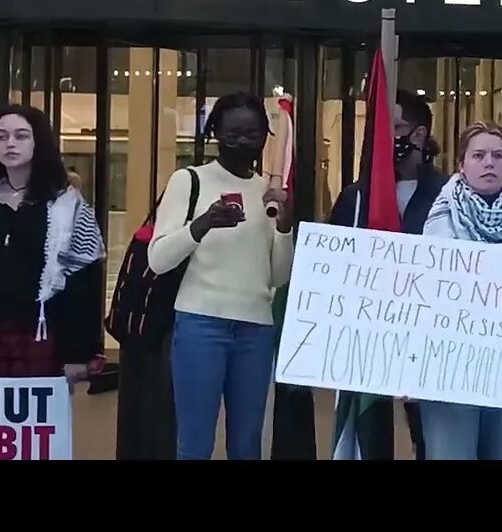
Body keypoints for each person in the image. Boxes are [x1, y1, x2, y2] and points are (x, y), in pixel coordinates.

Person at [148, 91, 295, 460]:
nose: (243, 142)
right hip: (201, 323)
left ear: (266, 136)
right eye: (232, 134)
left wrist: (284, 227)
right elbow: (158, 259)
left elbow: (278, 276)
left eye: (252, 134)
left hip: (255, 328)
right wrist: (203, 224)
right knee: (195, 441)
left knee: (248, 442)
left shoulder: (269, 191)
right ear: (214, 132)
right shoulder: (189, 180)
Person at [0, 105, 105, 386]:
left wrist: (80, 352)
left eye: (21, 135)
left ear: (39, 141)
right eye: (2, 136)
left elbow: (85, 281)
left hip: (42, 333)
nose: (10, 143)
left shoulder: (69, 205)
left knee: (37, 429)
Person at [318, 90, 450, 460]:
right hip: (370, 338)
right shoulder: (357, 198)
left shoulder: (450, 196)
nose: (382, 139)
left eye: (393, 128)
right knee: (368, 429)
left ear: (419, 136)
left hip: (430, 338)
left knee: (432, 434)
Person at [417, 120, 502, 460]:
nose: (489, 163)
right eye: (478, 155)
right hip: (447, 369)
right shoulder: (434, 217)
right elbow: (413, 295)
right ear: (461, 164)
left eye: (499, 155)